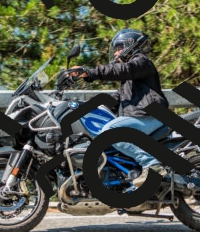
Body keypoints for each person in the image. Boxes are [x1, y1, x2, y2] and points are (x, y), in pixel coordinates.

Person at [69, 29, 169, 188]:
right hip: (141, 117)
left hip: (151, 116)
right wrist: (83, 106)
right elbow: (115, 99)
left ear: (131, 46)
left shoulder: (141, 62)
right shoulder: (130, 79)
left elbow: (120, 70)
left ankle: (152, 165)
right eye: (115, 49)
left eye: (119, 48)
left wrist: (89, 73)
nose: (116, 53)